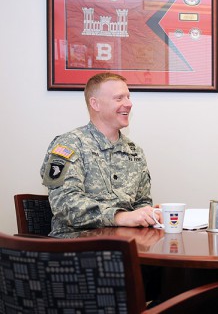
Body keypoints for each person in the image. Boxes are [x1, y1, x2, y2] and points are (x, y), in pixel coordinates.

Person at [40, 72, 162, 300]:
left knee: (180, 276)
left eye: (128, 96)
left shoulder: (134, 151)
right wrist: (119, 216)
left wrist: (149, 215)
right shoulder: (68, 145)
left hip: (127, 252)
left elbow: (142, 202)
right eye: (119, 98)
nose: (128, 103)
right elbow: (64, 203)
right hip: (76, 257)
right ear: (95, 104)